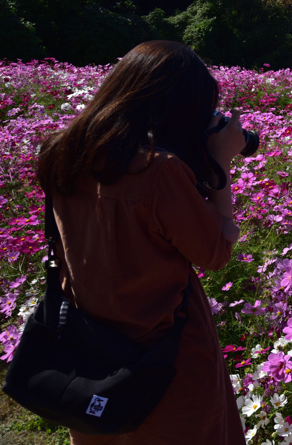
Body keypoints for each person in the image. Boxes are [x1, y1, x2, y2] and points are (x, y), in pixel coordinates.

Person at [35, 41, 246, 445]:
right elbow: (215, 253)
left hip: (87, 351)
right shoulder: (158, 171)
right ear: (177, 110)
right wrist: (220, 164)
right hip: (164, 354)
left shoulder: (61, 152)